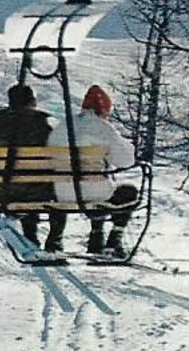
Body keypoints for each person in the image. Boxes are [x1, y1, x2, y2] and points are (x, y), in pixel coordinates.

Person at [0, 83, 65, 250]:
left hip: (2, 190)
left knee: (25, 183)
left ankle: (30, 237)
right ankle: (55, 241)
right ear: (31, 101)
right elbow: (58, 153)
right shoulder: (42, 122)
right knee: (51, 187)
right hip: (38, 190)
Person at [55, 84, 139, 256]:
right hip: (94, 192)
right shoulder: (103, 127)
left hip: (60, 192)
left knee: (97, 187)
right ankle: (114, 239)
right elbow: (127, 160)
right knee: (125, 191)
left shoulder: (64, 125)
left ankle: (96, 236)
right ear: (105, 110)